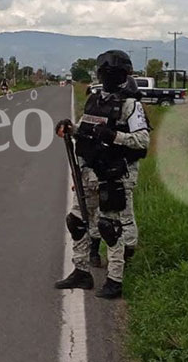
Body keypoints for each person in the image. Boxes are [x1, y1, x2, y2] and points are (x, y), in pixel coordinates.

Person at [55, 50, 150, 299]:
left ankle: (114, 280)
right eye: (104, 72)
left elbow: (142, 140)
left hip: (115, 175)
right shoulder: (94, 101)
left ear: (122, 75)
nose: (107, 77)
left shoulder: (131, 106)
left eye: (112, 73)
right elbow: (87, 133)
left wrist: (114, 136)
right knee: (77, 221)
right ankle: (81, 271)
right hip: (89, 173)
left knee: (110, 226)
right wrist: (71, 129)